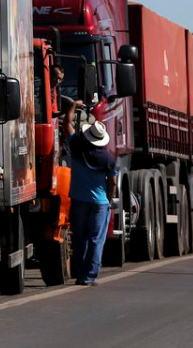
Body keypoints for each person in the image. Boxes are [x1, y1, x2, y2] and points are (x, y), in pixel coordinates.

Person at [66, 120, 117, 286]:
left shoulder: (76, 148)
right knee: (96, 240)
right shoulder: (109, 159)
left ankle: (80, 275)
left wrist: (72, 108)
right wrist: (109, 200)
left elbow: (67, 124)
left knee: (79, 238)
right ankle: (90, 276)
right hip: (99, 204)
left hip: (79, 200)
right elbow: (113, 182)